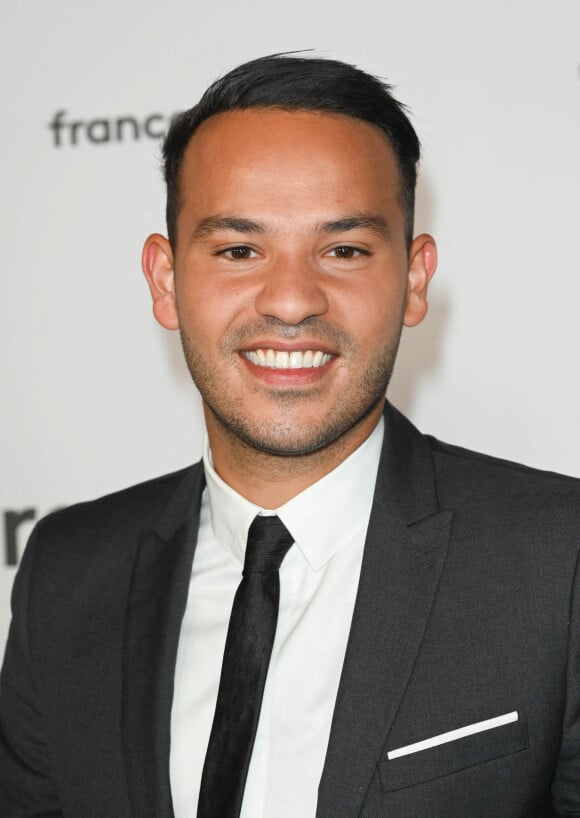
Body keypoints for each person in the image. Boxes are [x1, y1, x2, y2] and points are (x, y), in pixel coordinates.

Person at [0, 54, 579, 818]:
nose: (293, 300)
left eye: (343, 250)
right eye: (239, 250)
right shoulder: (68, 576)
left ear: (413, 277)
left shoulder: (557, 560)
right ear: (166, 282)